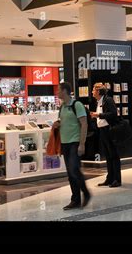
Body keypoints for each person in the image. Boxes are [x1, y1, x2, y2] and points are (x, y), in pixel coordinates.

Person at [53, 82, 90, 210]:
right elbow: (62, 122)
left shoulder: (77, 105)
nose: (57, 92)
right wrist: (56, 124)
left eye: (58, 90)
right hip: (65, 143)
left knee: (74, 169)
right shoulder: (62, 107)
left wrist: (82, 144)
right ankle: (75, 200)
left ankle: (85, 192)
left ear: (64, 91)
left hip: (75, 142)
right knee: (70, 173)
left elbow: (84, 124)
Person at [91, 83, 121, 188]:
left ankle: (117, 179)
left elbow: (113, 114)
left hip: (109, 130)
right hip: (103, 130)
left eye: (93, 90)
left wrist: (99, 115)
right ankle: (110, 178)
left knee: (113, 155)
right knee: (108, 155)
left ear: (98, 91)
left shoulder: (108, 100)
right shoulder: (99, 101)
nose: (92, 92)